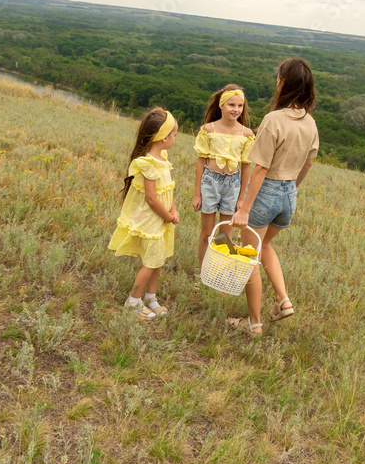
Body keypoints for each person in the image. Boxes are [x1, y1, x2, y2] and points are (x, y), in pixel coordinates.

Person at [229, 58, 318, 336]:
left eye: (278, 78)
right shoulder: (310, 123)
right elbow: (308, 163)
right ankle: (283, 300)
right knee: (265, 246)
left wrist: (244, 208)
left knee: (249, 256)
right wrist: (292, 189)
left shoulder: (273, 120)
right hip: (289, 194)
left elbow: (261, 168)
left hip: (266, 192)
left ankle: (253, 323)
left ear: (284, 83)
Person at [107, 107, 180, 320]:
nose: (175, 137)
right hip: (151, 219)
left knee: (157, 260)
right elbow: (151, 198)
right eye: (174, 134)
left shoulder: (163, 157)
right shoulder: (147, 163)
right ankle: (133, 301)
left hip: (162, 217)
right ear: (163, 138)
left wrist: (173, 209)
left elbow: (167, 189)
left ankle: (151, 297)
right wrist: (167, 216)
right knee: (150, 263)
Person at [192, 84, 255, 268]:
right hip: (210, 182)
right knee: (207, 232)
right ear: (221, 105)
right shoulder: (208, 130)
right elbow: (200, 162)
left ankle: (219, 271)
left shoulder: (246, 134)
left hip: (232, 185)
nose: (236, 109)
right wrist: (197, 194)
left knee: (225, 235)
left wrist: (242, 198)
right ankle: (202, 270)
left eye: (240, 106)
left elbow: (245, 167)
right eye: (231, 105)